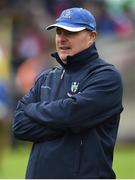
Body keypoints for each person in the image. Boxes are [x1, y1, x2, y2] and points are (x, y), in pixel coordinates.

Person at [12, 7, 123, 179]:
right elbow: (19, 126)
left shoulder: (106, 76)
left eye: (70, 32)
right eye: (59, 32)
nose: (62, 38)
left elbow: (71, 114)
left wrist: (32, 109)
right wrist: (69, 124)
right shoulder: (46, 77)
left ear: (92, 37)